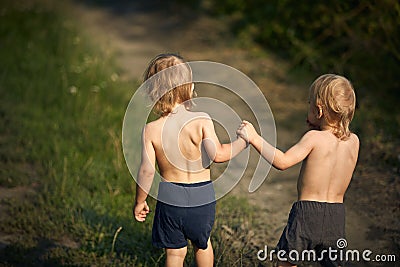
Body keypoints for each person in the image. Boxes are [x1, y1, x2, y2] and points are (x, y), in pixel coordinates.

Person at [133, 53, 247, 267]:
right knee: (202, 245)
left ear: (153, 91)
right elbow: (219, 155)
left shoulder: (151, 130)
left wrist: (140, 201)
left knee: (175, 254)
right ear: (189, 86)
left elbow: (147, 171)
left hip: (170, 197)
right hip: (201, 196)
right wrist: (243, 142)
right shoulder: (201, 121)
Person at [237, 74, 359, 266]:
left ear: (318, 110)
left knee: (287, 262)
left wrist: (254, 138)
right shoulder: (354, 141)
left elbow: (283, 161)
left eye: (309, 104)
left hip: (307, 214)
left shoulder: (313, 138)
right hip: (336, 217)